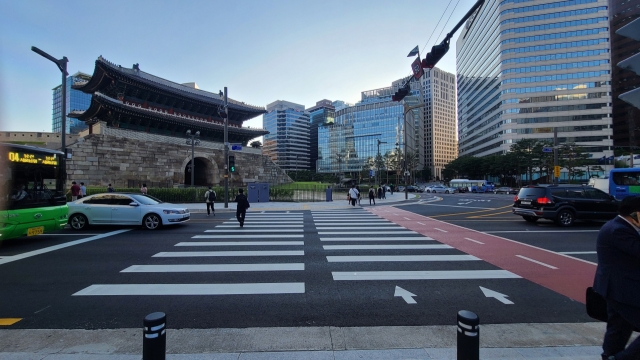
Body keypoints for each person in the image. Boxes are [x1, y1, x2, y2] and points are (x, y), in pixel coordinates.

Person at [593, 195, 640, 360]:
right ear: (635, 214)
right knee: (618, 327)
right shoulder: (619, 230)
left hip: (617, 288)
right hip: (623, 289)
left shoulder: (617, 225)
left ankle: (610, 356)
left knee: (619, 327)